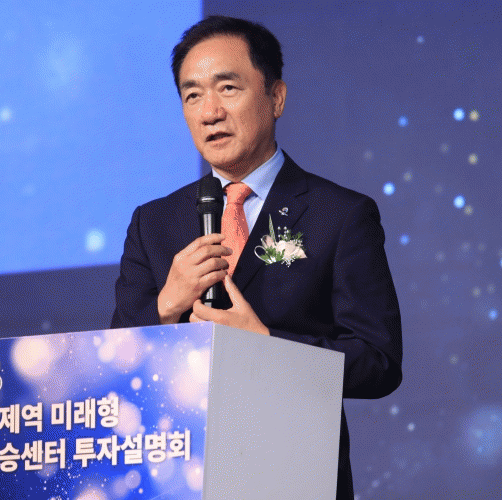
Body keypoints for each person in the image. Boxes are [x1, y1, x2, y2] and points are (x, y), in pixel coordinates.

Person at [111, 15, 402, 499]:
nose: (210, 112)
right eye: (192, 95)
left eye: (228, 88)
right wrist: (165, 306)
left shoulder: (340, 215)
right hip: (179, 478)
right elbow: (114, 364)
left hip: (293, 476)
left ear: (276, 97)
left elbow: (378, 362)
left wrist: (267, 344)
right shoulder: (153, 223)